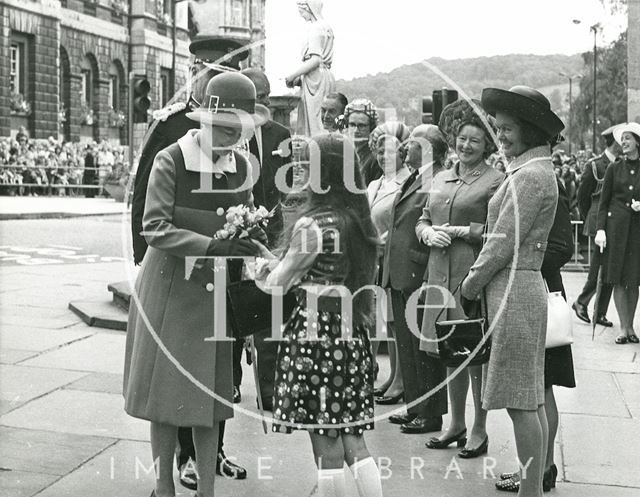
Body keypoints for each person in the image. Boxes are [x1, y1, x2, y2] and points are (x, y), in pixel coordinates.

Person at [123, 73, 267, 497]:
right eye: (224, 130)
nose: (230, 140)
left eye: (239, 132)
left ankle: (207, 489)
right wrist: (216, 247)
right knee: (165, 401)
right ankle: (163, 487)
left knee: (213, 398)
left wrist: (259, 250)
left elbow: (247, 217)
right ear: (204, 120)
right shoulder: (171, 159)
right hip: (170, 290)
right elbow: (155, 228)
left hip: (215, 296)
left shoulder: (242, 166)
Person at [253, 133, 383, 497]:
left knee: (324, 442)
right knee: (352, 439)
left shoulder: (312, 226)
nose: (300, 172)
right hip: (349, 332)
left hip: (314, 336)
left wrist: (261, 271)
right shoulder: (357, 220)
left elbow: (279, 284)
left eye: (306, 165)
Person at [460, 86, 564, 497]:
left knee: (522, 401)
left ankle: (530, 492)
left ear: (529, 129)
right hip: (520, 288)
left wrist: (469, 285)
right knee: (531, 397)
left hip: (514, 290)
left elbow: (500, 241)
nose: (499, 136)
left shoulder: (531, 176)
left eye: (506, 129)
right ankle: (532, 486)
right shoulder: (533, 171)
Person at [417, 100, 504, 456]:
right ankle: (455, 423)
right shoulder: (440, 177)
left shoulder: (495, 181)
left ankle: (480, 430)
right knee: (450, 353)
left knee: (474, 355)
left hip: (471, 278)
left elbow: (498, 231)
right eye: (462, 139)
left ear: (487, 146)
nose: (466, 146)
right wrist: (425, 233)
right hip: (438, 275)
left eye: (475, 141)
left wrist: (462, 230)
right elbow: (422, 218)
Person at [497, 175, 576, 493]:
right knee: (536, 388)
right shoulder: (518, 176)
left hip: (540, 295)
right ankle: (538, 468)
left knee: (540, 388)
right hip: (527, 293)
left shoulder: (546, 181)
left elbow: (561, 248)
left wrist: (517, 260)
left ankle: (541, 469)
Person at [382, 124, 449, 435]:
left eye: (411, 142)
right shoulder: (417, 176)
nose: (405, 146)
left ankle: (430, 412)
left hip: (417, 272)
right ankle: (415, 406)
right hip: (400, 272)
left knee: (423, 349)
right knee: (408, 347)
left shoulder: (436, 180)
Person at [241, 67, 293, 411]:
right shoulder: (229, 134)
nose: (262, 106)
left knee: (268, 314)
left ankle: (270, 390)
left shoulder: (282, 134)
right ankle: (229, 382)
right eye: (256, 100)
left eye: (265, 98)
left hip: (272, 237)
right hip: (235, 235)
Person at [366, 122, 411, 407]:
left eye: (390, 151)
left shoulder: (408, 181)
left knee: (396, 321)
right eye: (380, 151)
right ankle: (393, 376)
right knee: (385, 321)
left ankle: (400, 380)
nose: (384, 157)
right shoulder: (374, 183)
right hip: (374, 258)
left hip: (393, 257)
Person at [595, 122, 640, 344]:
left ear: (637, 142)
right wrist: (600, 229)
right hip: (616, 231)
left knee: (633, 280)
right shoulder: (614, 168)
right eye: (622, 139)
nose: (623, 143)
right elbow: (603, 203)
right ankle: (623, 328)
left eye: (628, 139)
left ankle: (631, 326)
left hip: (636, 233)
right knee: (618, 279)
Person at [573, 125, 622, 326]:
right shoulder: (594, 165)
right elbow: (582, 197)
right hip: (598, 222)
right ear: (616, 143)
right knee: (599, 266)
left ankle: (599, 312)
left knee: (609, 268)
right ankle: (581, 302)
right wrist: (591, 220)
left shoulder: (621, 165)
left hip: (615, 223)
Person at [287, 0, 336, 137]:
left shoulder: (316, 28)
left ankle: (317, 151)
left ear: (309, 8)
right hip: (323, 76)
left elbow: (315, 59)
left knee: (315, 123)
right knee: (322, 121)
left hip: (315, 80)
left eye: (302, 12)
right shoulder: (326, 27)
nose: (301, 16)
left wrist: (292, 75)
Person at [343, 99, 381, 185]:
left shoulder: (375, 159)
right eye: (352, 125)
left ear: (371, 127)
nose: (356, 130)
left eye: (361, 126)